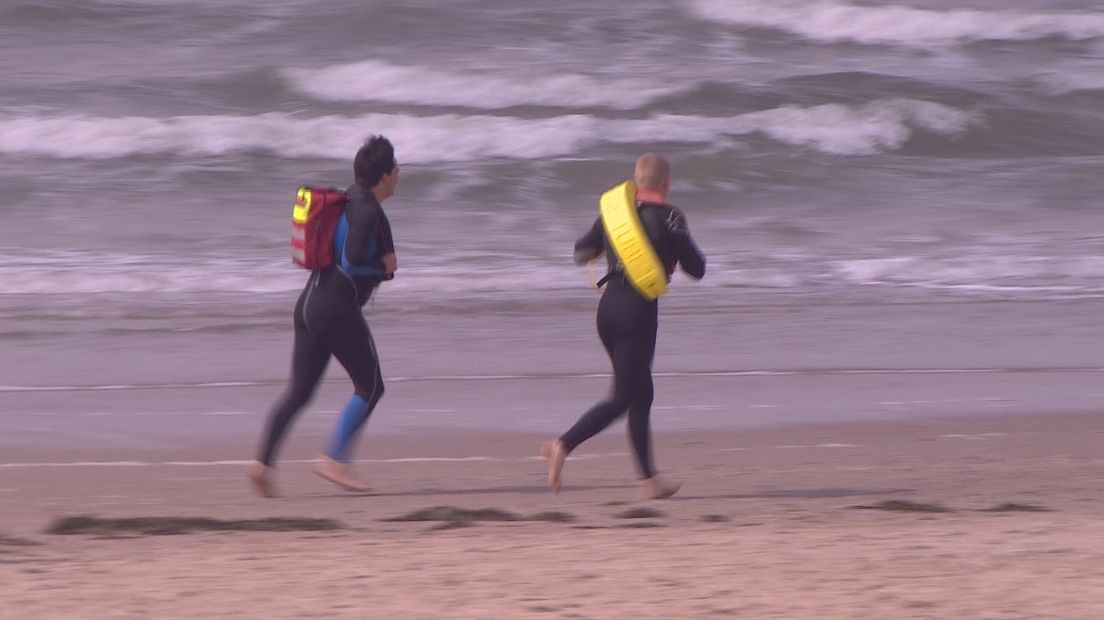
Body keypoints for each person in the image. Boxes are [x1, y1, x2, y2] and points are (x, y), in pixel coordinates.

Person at [541, 153, 706, 500]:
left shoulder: (616, 214)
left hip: (607, 310)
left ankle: (649, 480)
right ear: (665, 183)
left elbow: (580, 252)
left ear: (636, 181)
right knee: (622, 397)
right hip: (637, 313)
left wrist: (615, 245)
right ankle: (562, 445)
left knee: (640, 392)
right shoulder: (671, 216)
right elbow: (697, 267)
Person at [249, 135, 399, 497]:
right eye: (395, 169)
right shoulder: (366, 211)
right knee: (371, 386)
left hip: (309, 305)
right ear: (384, 176)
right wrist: (382, 266)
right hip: (334, 308)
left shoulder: (349, 201)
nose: (398, 174)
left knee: (299, 392)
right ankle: (333, 459)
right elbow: (351, 260)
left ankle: (262, 463)